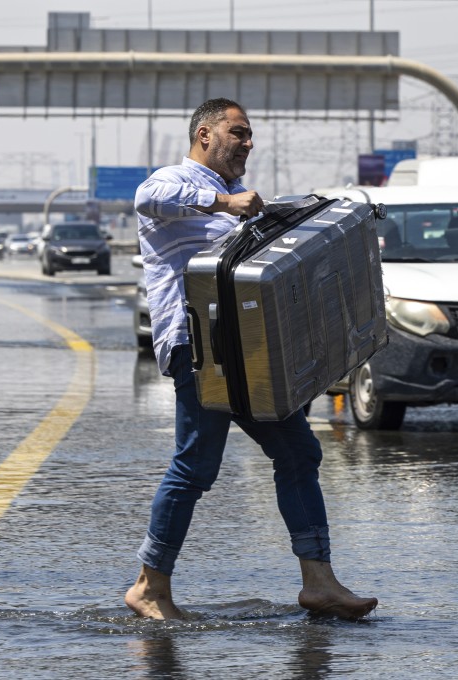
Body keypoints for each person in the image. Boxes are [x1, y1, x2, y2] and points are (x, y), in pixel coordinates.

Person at [125, 98, 378, 621]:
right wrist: (225, 203)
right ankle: (149, 586)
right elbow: (148, 197)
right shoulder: (175, 182)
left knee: (299, 454)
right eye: (237, 133)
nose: (248, 143)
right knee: (195, 466)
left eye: (249, 135)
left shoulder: (236, 201)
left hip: (248, 352)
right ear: (204, 135)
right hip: (200, 350)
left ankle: (319, 582)